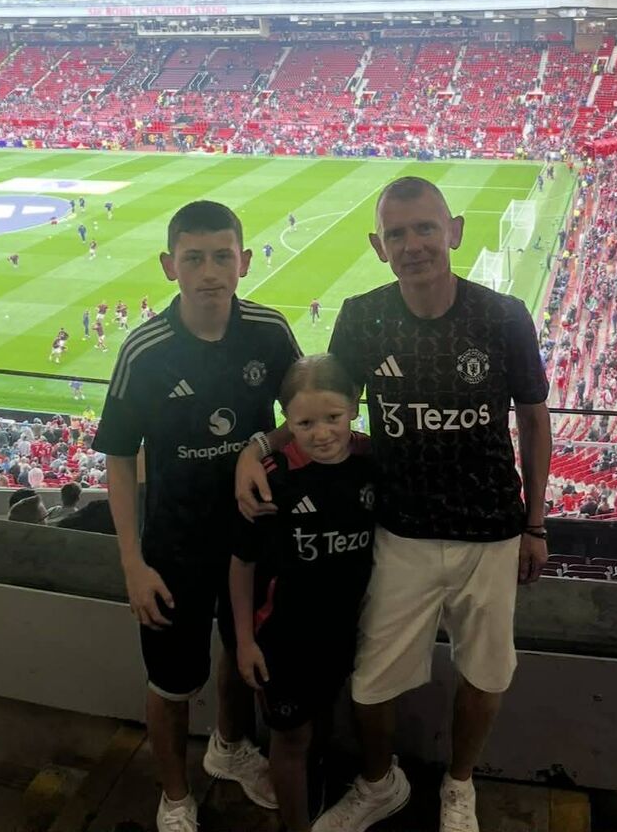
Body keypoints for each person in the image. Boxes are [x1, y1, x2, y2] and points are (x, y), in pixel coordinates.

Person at [237, 176, 551, 832]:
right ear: (379, 246)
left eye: (425, 228)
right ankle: (380, 782)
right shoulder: (362, 314)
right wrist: (255, 447)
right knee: (372, 680)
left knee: (487, 671)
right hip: (399, 528)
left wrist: (534, 524)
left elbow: (532, 418)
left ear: (453, 231)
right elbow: (323, 401)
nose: (413, 244)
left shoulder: (502, 316)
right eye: (398, 234)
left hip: (491, 530)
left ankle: (458, 785)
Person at [94, 200, 301, 832]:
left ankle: (230, 747)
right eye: (193, 258)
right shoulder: (146, 350)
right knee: (170, 682)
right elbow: (121, 460)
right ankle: (176, 796)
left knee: (246, 651)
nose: (209, 271)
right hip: (174, 546)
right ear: (169, 265)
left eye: (221, 256)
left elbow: (304, 415)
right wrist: (132, 563)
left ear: (242, 260)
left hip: (253, 536)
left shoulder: (269, 330)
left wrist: (256, 446)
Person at [231, 355, 373, 832]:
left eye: (332, 418)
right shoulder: (272, 477)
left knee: (325, 722)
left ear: (354, 408)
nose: (321, 433)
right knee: (291, 738)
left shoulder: (372, 463)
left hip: (341, 632)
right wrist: (246, 642)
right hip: (282, 640)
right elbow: (243, 562)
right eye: (304, 423)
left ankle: (315, 801)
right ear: (285, 421)